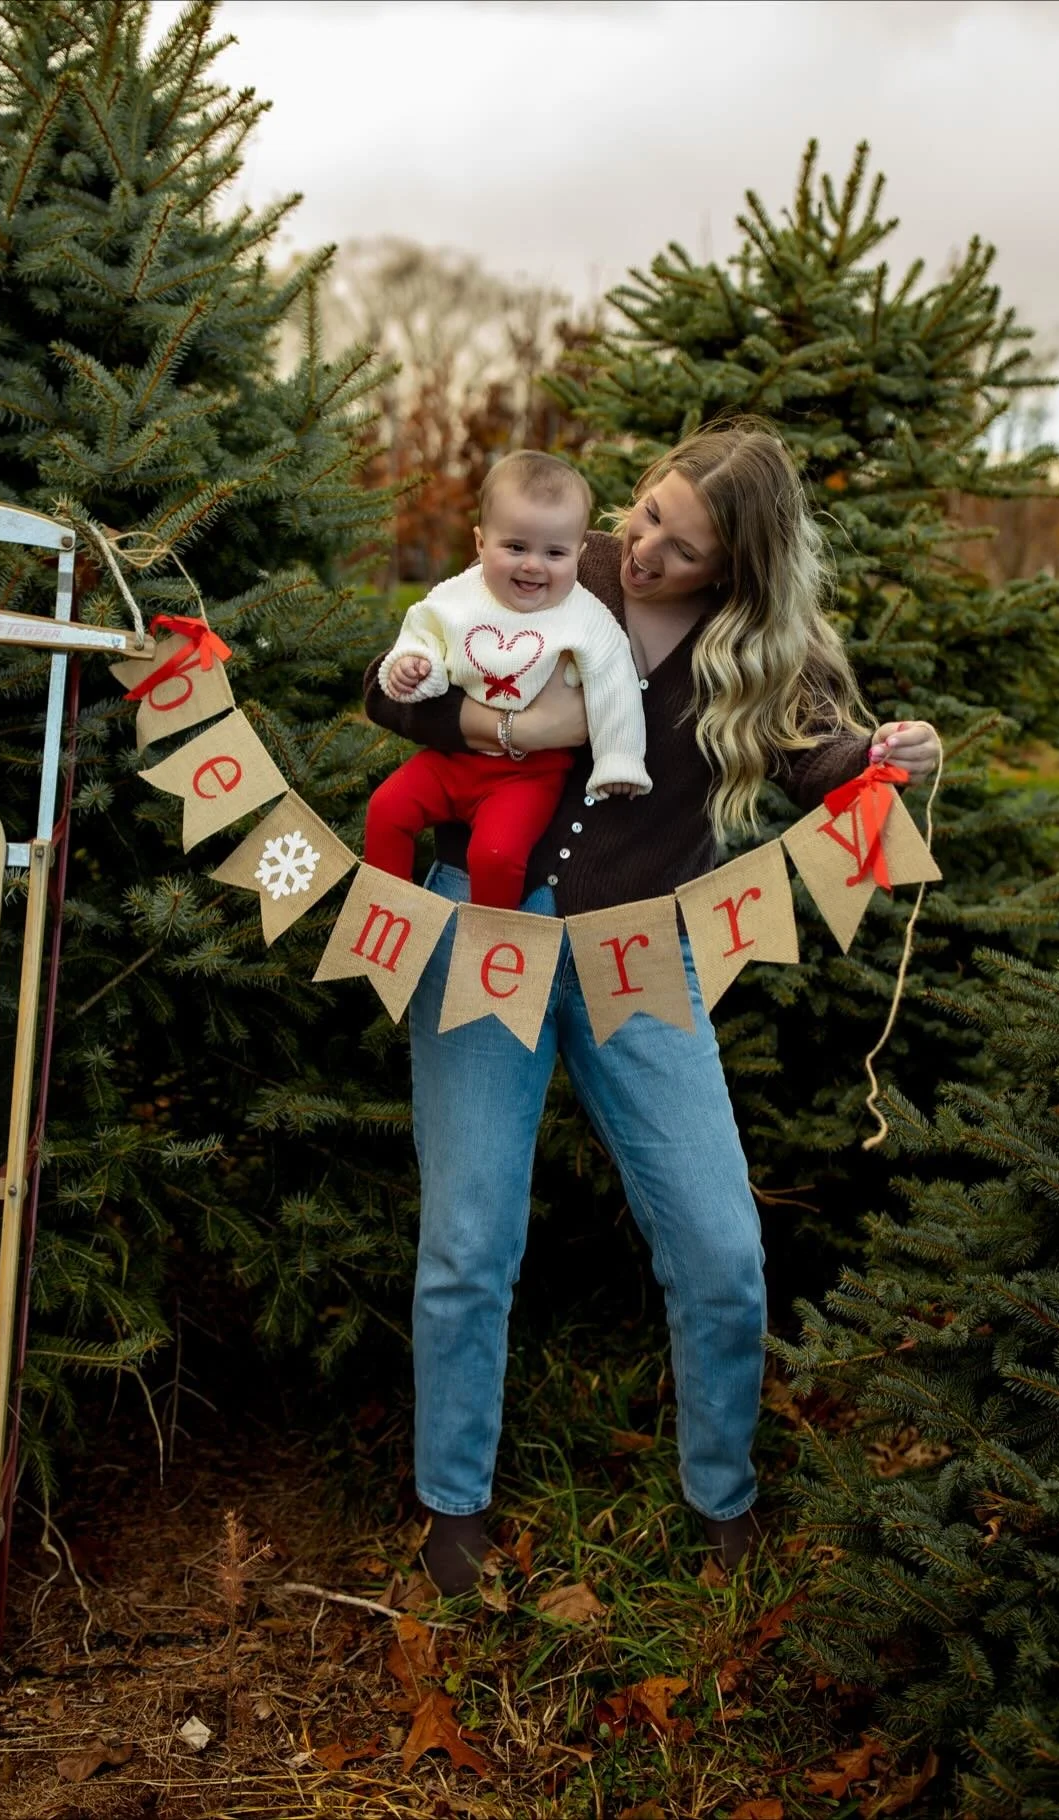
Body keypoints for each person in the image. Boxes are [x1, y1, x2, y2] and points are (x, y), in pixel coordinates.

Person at [363, 421, 941, 1594]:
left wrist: (886, 752)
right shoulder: (554, 568)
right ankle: (452, 1501)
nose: (643, 550)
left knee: (722, 1245)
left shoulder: (759, 652)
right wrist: (507, 726)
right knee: (469, 1240)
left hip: (641, 955)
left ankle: (722, 1494)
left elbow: (825, 761)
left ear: (734, 567)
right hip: (486, 931)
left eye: (681, 545)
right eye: (648, 513)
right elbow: (391, 690)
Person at [365, 451, 650, 909]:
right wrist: (415, 666)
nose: (533, 565)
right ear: (480, 543)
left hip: (528, 775)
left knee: (496, 854)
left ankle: (492, 938)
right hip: (452, 760)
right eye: (515, 547)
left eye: (554, 553)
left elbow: (615, 681)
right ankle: (385, 912)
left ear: (578, 553)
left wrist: (619, 758)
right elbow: (423, 631)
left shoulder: (584, 616)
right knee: (387, 809)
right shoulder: (459, 596)